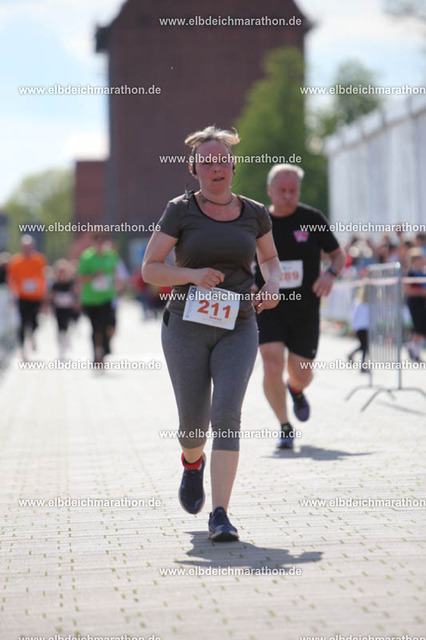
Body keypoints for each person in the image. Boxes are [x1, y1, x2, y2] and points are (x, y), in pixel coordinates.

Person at [142, 126, 281, 542]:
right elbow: (150, 269)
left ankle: (220, 513)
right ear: (194, 169)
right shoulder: (180, 210)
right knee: (193, 426)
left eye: (222, 160)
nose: (216, 167)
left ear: (233, 167)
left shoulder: (255, 212)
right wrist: (192, 275)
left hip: (239, 324)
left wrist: (272, 284)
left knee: (226, 415)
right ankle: (192, 462)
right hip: (187, 326)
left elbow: (270, 259)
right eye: (207, 162)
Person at [255, 164, 346, 450]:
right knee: (271, 365)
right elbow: (240, 259)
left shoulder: (312, 219)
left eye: (293, 191)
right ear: (270, 190)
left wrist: (330, 275)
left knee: (302, 373)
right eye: (281, 190)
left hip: (305, 310)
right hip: (268, 307)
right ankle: (284, 425)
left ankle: (295, 389)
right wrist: (247, 284)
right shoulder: (258, 221)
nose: (287, 196)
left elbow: (338, 255)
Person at [77, 234, 119, 364]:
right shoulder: (86, 257)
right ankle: (97, 353)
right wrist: (94, 275)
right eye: (98, 242)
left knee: (110, 326)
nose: (101, 245)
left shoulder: (112, 256)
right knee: (96, 328)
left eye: (103, 242)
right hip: (91, 300)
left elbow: (115, 274)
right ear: (94, 243)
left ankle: (105, 348)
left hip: (107, 298)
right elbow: (81, 278)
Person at [7, 235, 47, 360]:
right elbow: (11, 279)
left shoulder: (39, 260)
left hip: (36, 297)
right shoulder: (16, 261)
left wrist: (44, 297)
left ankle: (32, 335)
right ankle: (22, 349)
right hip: (22, 296)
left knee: (35, 322)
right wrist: (13, 294)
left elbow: (43, 277)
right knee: (23, 323)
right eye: (25, 247)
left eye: (29, 246)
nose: (27, 249)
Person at [50, 259, 78, 360]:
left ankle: (66, 340)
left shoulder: (70, 283)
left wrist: (76, 303)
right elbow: (51, 296)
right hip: (59, 309)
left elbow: (75, 294)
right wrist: (50, 307)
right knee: (59, 327)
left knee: (67, 325)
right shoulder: (55, 284)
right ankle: (61, 345)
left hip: (68, 308)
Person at [404, 248, 426, 362]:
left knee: (422, 328)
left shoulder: (423, 273)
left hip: (423, 303)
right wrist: (421, 292)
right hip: (415, 303)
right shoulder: (411, 274)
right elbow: (407, 290)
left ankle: (413, 348)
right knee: (419, 327)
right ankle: (414, 350)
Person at [347, 286, 369, 372]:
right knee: (364, 346)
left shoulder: (361, 303)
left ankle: (360, 362)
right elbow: (354, 316)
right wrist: (353, 328)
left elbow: (354, 316)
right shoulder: (359, 302)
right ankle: (362, 364)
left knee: (364, 346)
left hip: (363, 327)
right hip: (362, 327)